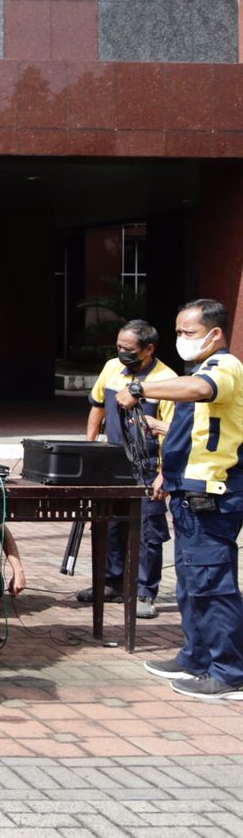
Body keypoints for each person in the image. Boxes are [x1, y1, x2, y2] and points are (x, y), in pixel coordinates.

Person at [117, 299, 243, 701]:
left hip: (213, 495)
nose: (181, 339)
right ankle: (197, 657)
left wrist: (140, 388)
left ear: (215, 333)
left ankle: (228, 672)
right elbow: (205, 431)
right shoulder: (201, 371)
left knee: (213, 582)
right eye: (178, 332)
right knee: (191, 582)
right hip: (188, 493)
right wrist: (162, 430)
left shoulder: (223, 367)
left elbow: (200, 391)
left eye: (188, 332)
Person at [84, 319, 176, 619]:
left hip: (148, 465)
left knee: (148, 530)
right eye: (119, 347)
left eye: (129, 350)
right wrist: (89, 446)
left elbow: (172, 431)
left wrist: (164, 473)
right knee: (110, 524)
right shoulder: (111, 368)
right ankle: (112, 583)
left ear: (149, 349)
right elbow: (98, 405)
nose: (122, 353)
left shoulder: (167, 380)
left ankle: (145, 592)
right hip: (112, 462)